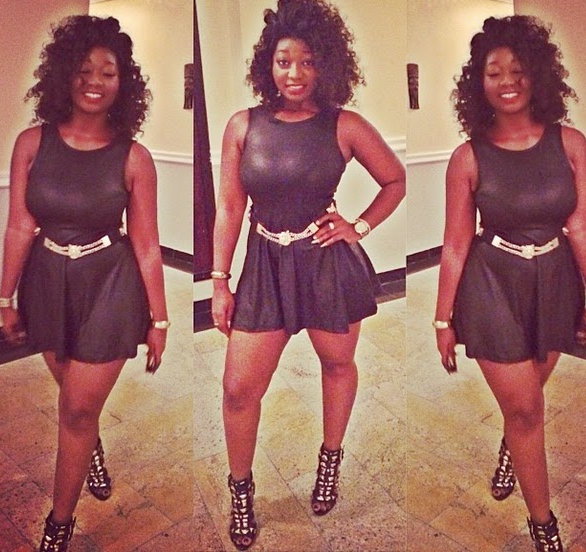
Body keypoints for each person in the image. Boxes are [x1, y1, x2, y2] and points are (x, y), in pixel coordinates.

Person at [210, 0, 406, 549]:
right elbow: (230, 208)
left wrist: (358, 226)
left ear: (326, 65)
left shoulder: (345, 125)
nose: (294, 73)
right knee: (238, 390)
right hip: (264, 266)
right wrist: (220, 281)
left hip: (325, 266)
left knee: (337, 364)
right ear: (267, 65)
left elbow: (395, 180)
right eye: (283, 61)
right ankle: (241, 490)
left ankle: (330, 460)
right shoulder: (243, 125)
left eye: (307, 61)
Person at [0, 16, 168, 551]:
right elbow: (20, 225)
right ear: (64, 74)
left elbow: (146, 245)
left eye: (108, 72)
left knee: (74, 410)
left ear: (123, 82)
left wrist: (160, 319)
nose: (95, 80)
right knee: (73, 393)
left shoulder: (134, 157)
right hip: (47, 281)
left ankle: (59, 525)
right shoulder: (31, 144)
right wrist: (5, 295)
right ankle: (90, 444)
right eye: (84, 69)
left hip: (110, 284)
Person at [434, 15, 586, 552]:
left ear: (537, 74)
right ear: (478, 83)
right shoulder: (468, 157)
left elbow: (581, 227)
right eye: (493, 71)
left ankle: (511, 448)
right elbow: (456, 244)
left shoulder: (571, 144)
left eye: (518, 69)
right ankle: (544, 526)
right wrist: (442, 318)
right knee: (526, 409)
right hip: (492, 284)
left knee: (528, 396)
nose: (507, 80)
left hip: (555, 282)